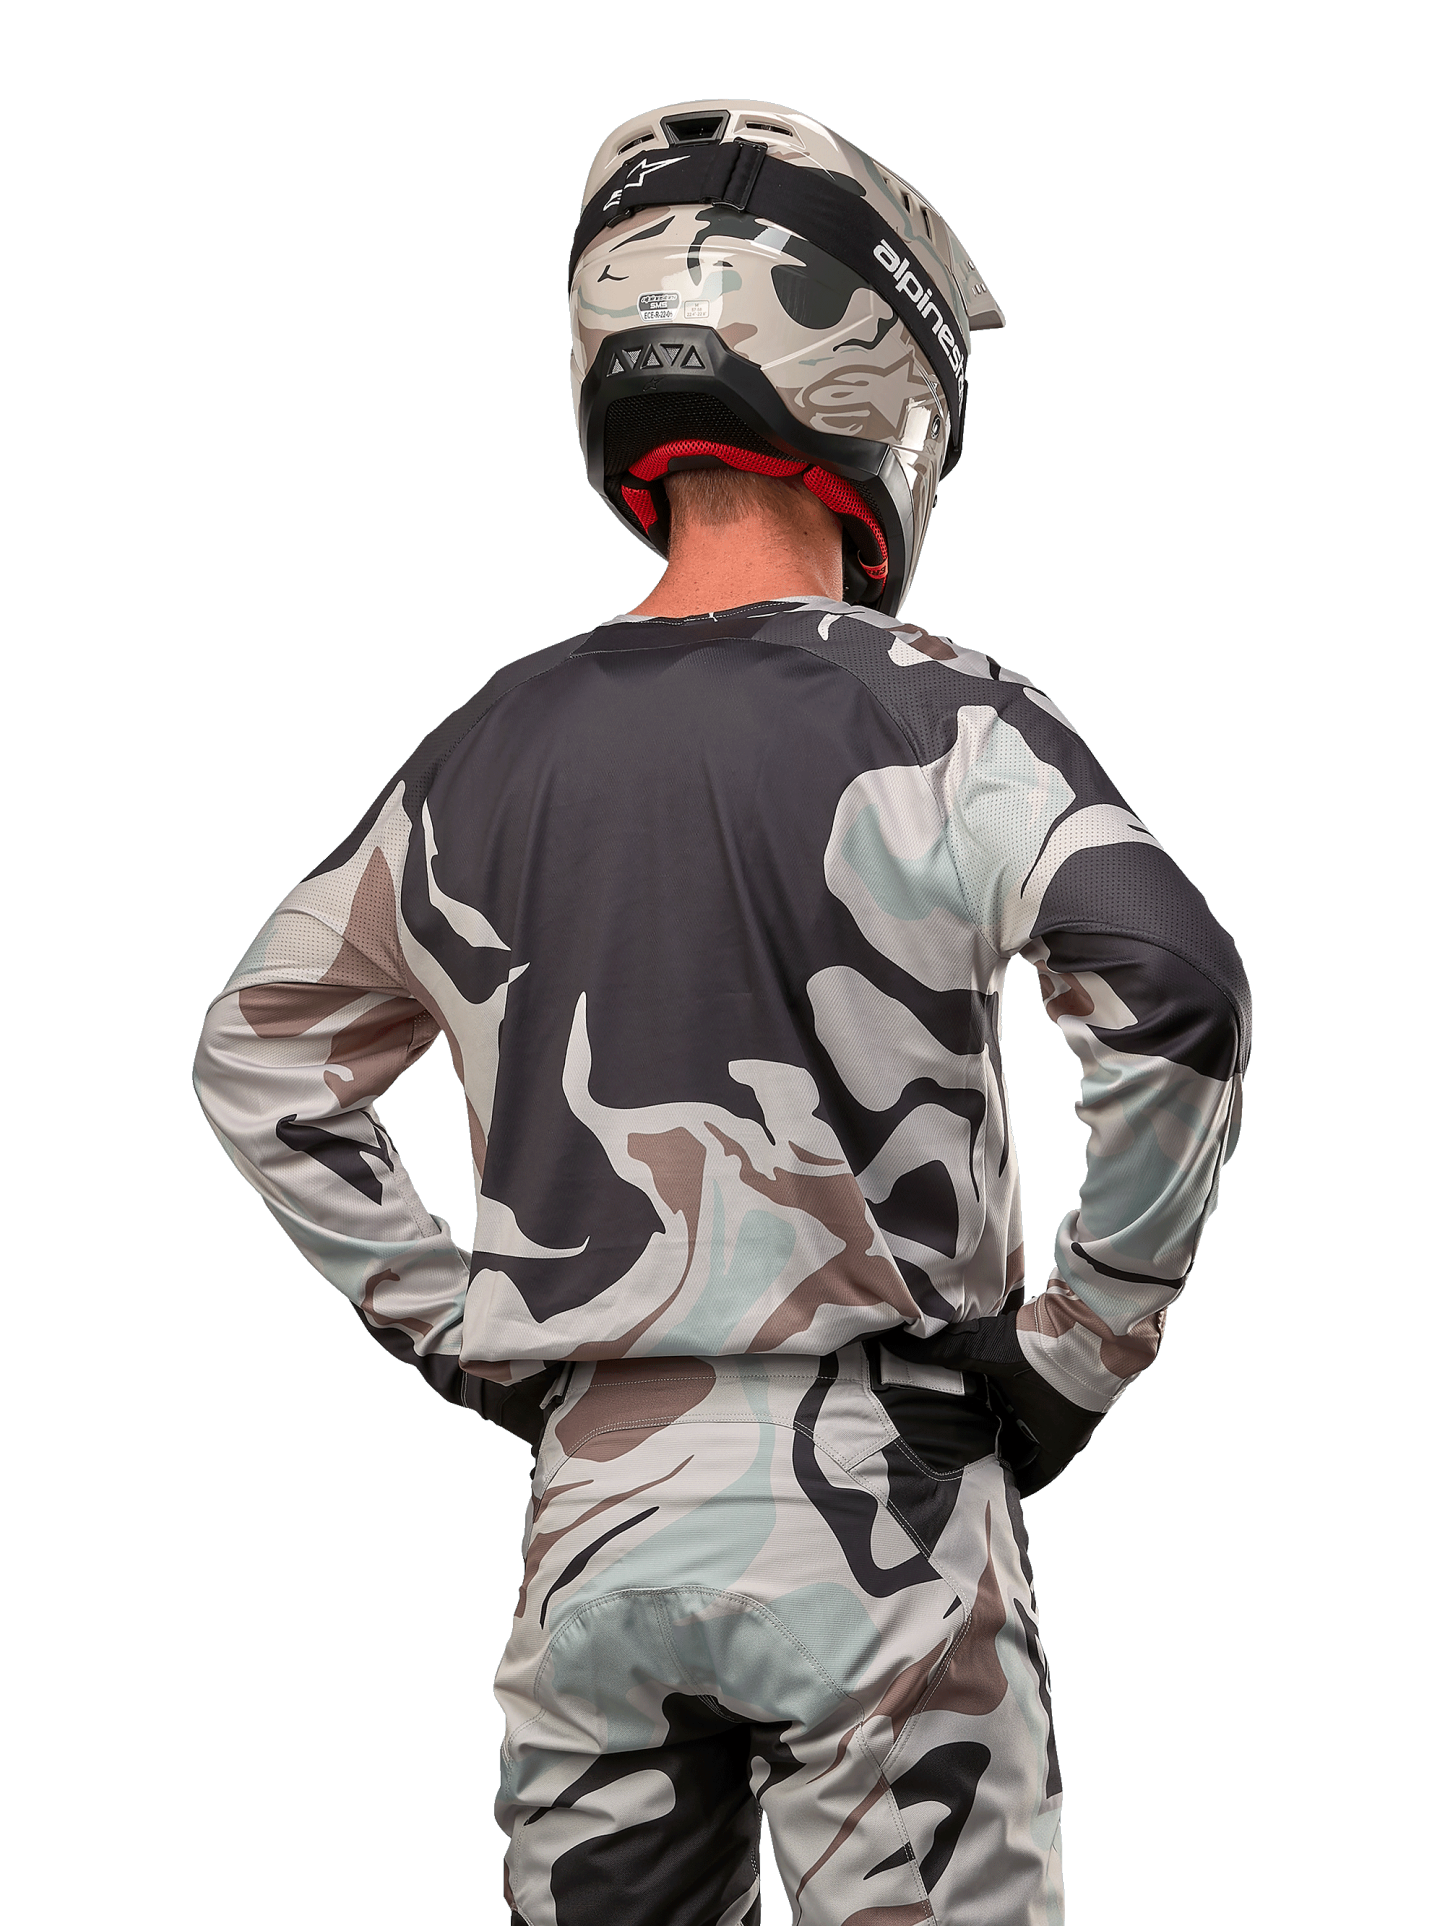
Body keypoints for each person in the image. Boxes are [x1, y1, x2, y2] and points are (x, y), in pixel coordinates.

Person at [195, 98, 1248, 1926]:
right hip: (882, 1507)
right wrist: (1084, 1343)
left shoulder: (482, 750)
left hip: (593, 1525)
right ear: (881, 381)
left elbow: (259, 1055)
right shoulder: (945, 717)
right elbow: (1175, 983)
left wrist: (463, 1335)